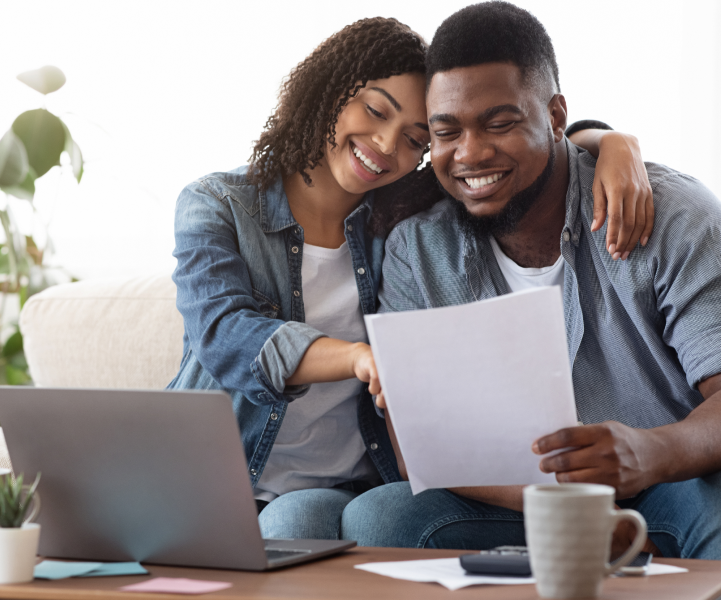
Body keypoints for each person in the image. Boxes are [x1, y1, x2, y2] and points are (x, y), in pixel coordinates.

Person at [167, 16, 654, 541]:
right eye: (375, 110)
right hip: (223, 469)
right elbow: (224, 336)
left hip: (347, 481)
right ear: (328, 92)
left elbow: (521, 151)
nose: (383, 145)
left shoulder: (401, 216)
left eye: (414, 138)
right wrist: (358, 357)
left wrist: (614, 144)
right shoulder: (219, 204)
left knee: (298, 520)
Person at [341, 1, 721, 562]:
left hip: (670, 489)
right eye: (447, 133)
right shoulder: (418, 251)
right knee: (380, 513)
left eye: (499, 122)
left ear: (556, 116)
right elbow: (423, 452)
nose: (470, 153)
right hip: (520, 504)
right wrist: (562, 504)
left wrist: (653, 452)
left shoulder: (672, 214)